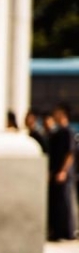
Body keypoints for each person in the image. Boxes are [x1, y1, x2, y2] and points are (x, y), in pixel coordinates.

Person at [47, 102, 76, 241]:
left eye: (57, 112)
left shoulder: (68, 132)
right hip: (56, 172)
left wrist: (63, 171)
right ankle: (57, 231)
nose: (55, 114)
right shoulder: (57, 132)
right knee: (56, 203)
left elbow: (70, 154)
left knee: (64, 204)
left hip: (63, 174)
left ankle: (66, 232)